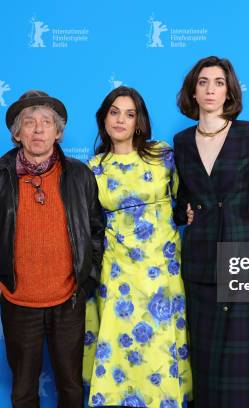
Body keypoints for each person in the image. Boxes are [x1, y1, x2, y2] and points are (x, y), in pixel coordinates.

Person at [0, 90, 105, 407]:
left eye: (46, 122)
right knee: (23, 390)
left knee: (72, 387)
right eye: (29, 123)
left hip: (68, 299)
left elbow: (96, 231)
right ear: (17, 133)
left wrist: (87, 279)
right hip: (18, 300)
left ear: (58, 132)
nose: (37, 130)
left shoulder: (79, 174)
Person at [83, 86, 192, 408]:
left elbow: (186, 199)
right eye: (114, 112)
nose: (121, 120)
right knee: (119, 351)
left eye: (129, 114)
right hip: (117, 273)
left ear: (139, 121)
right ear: (103, 118)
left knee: (160, 349)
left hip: (162, 269)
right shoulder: (93, 167)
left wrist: (186, 213)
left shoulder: (162, 155)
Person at [173, 56, 249, 408]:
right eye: (203, 82)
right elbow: (181, 200)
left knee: (238, 361)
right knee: (203, 356)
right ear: (193, 91)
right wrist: (180, 211)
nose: (211, 89)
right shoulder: (181, 141)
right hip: (198, 261)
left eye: (218, 81)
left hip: (241, 259)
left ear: (229, 89)